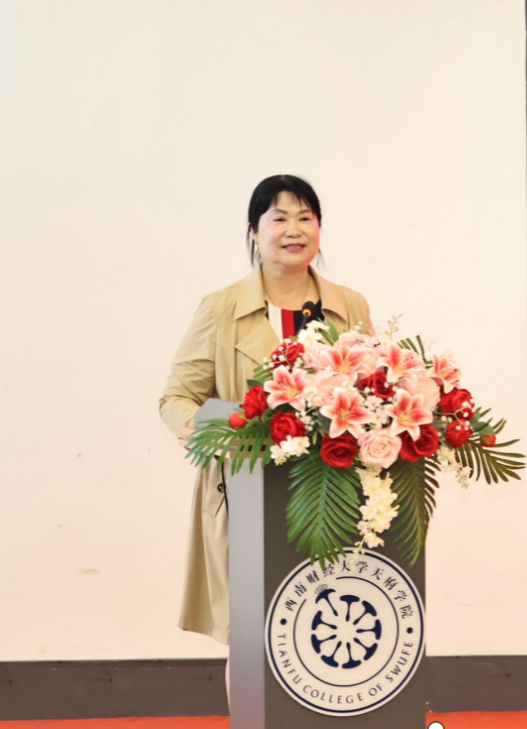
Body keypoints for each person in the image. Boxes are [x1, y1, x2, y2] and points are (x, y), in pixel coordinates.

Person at [157, 174, 375, 712]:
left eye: (305, 217)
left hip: (330, 496)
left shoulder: (349, 306)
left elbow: (373, 392)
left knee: (324, 622)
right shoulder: (221, 308)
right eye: (278, 218)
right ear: (254, 231)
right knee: (254, 634)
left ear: (320, 228)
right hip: (248, 495)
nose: (293, 229)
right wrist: (227, 434)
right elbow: (177, 399)